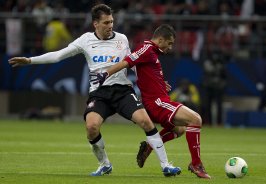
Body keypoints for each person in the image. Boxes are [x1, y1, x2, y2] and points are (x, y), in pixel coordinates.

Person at [8, 4, 181, 177]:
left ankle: (166, 165)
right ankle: (105, 165)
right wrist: (30, 60)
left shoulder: (122, 39)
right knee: (91, 127)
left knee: (146, 122)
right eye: (106, 22)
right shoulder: (85, 40)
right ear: (95, 24)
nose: (110, 26)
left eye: (112, 21)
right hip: (100, 93)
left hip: (122, 90)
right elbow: (59, 55)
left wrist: (155, 83)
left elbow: (134, 64)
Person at [94, 24, 211, 179]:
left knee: (180, 130)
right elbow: (127, 62)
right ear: (160, 39)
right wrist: (106, 73)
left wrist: (161, 82)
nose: (170, 47)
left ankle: (150, 146)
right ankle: (196, 164)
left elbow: (144, 73)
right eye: (169, 43)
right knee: (195, 119)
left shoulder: (153, 53)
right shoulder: (146, 49)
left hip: (159, 101)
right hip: (157, 103)